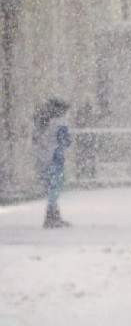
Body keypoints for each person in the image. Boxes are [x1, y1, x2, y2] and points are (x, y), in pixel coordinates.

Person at [33, 98, 72, 229]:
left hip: (44, 158)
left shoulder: (43, 122)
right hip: (55, 158)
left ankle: (53, 216)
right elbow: (66, 141)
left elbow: (37, 140)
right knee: (55, 188)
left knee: (50, 188)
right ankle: (52, 217)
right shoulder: (60, 123)